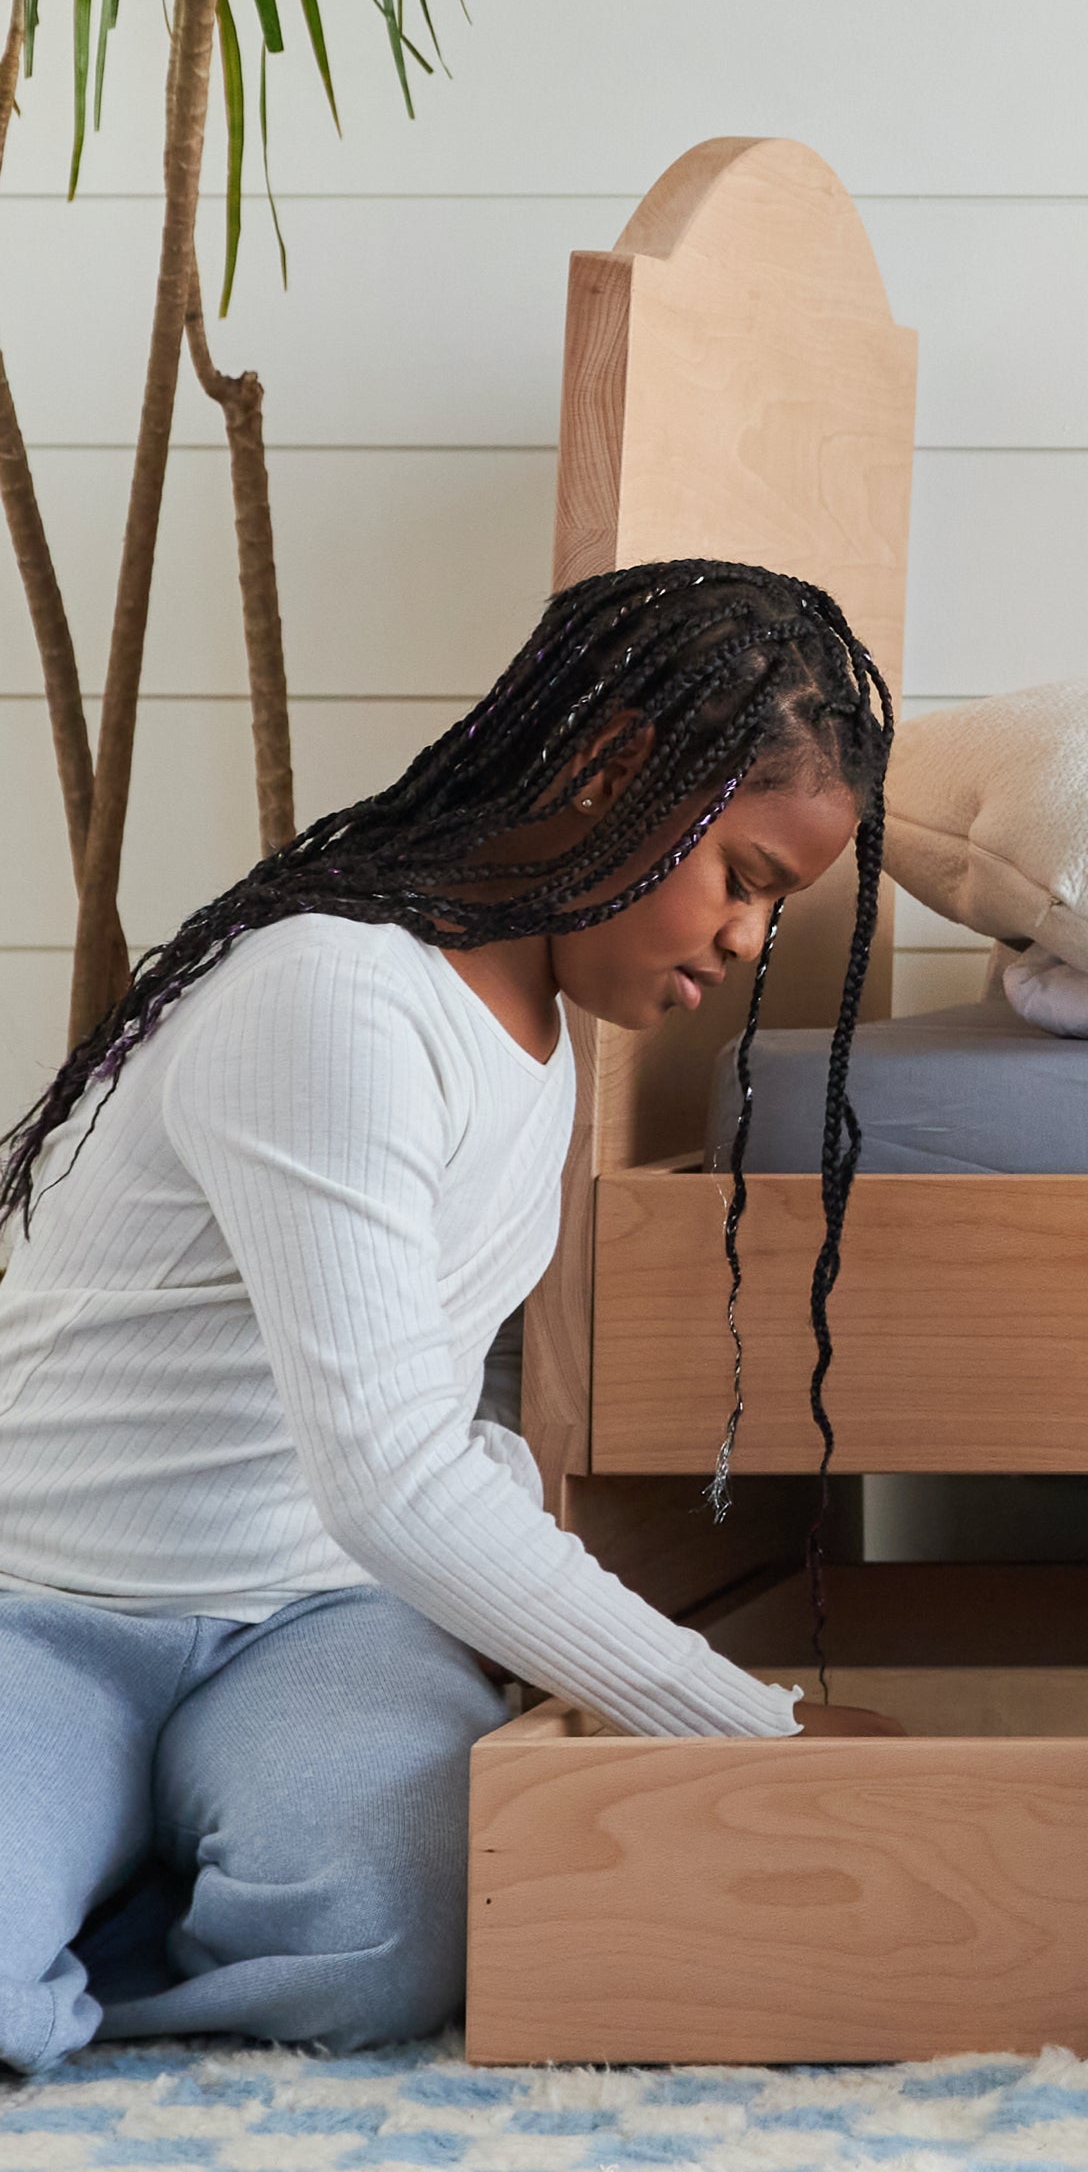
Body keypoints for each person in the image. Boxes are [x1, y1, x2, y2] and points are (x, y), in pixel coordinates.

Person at [0, 559, 907, 2073]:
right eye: (745, 877)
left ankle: (115, 1884)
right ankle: (83, 1873)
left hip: (317, 1613)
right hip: (50, 1600)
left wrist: (521, 1616)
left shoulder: (545, 1043)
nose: (749, 939)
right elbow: (393, 1474)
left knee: (378, 1942)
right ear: (620, 767)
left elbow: (425, 1423)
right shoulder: (333, 997)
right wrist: (737, 1722)